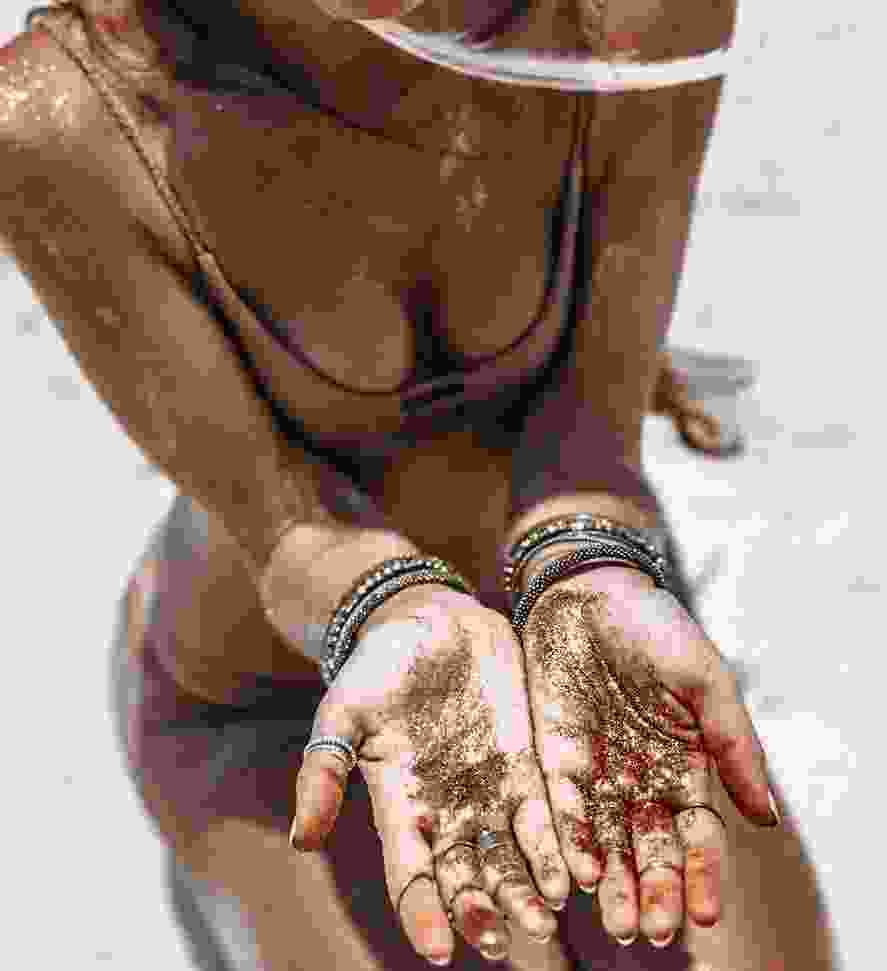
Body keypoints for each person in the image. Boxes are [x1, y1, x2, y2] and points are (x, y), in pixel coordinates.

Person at [1, 1, 836, 968]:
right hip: (282, 704)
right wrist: (396, 608)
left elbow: (589, 438)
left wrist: (587, 561)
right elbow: (288, 529)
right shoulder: (61, 118)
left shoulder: (632, 14)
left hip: (572, 615)